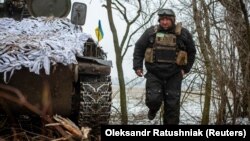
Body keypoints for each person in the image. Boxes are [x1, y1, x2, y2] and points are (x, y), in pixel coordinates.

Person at [133, 8, 196, 125]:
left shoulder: (183, 34)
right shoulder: (150, 32)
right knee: (153, 100)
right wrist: (138, 66)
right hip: (154, 74)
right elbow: (139, 48)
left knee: (172, 107)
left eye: (167, 19)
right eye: (162, 19)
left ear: (173, 20)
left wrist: (185, 69)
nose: (165, 22)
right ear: (159, 20)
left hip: (174, 75)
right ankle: (153, 109)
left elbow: (192, 52)